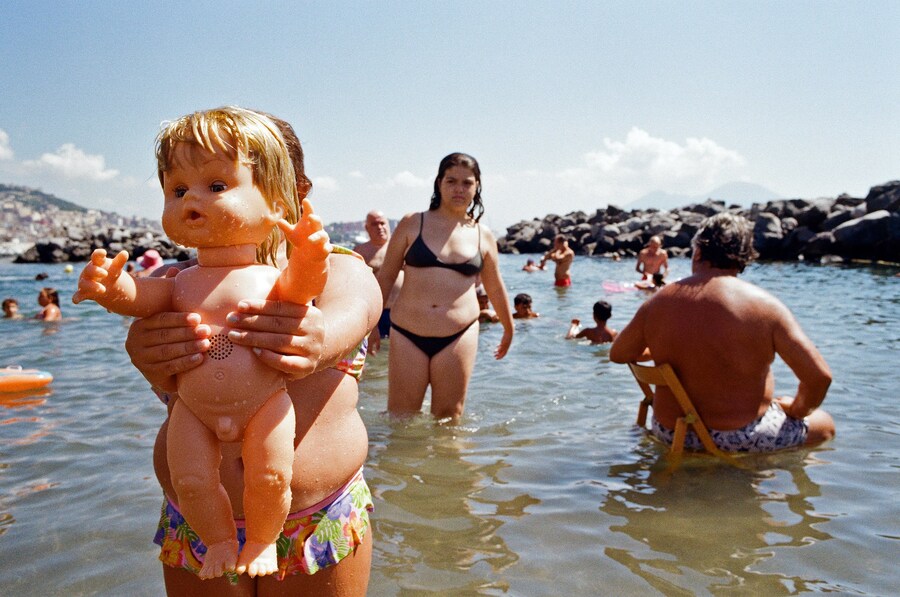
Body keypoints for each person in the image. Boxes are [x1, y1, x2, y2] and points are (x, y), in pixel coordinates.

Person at [73, 107, 340, 580]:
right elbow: (141, 296)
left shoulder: (307, 275)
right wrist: (110, 289)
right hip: (193, 429)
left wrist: (309, 256)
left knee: (270, 474)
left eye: (216, 186)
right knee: (192, 479)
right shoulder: (176, 281)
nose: (192, 200)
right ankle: (218, 540)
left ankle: (261, 539)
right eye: (178, 190)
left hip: (301, 491)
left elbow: (305, 292)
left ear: (285, 200)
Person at [124, 110, 380, 594]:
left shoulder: (337, 272)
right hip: (196, 521)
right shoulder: (176, 285)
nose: (204, 196)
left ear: (294, 191)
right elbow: (169, 380)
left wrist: (315, 339)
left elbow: (354, 311)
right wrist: (143, 351)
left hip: (312, 519)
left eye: (223, 181)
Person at [610, 213, 835, 453]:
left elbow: (619, 354)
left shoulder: (658, 301)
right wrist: (797, 410)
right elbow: (819, 377)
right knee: (825, 425)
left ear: (697, 253)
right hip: (737, 438)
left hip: (670, 432)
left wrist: (667, 349)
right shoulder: (765, 306)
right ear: (744, 259)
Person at [376, 152, 514, 420]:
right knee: (401, 418)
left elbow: (495, 287)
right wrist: (368, 324)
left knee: (449, 420)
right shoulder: (412, 223)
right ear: (439, 183)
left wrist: (509, 327)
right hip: (407, 333)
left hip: (459, 334)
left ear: (477, 187)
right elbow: (386, 277)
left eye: (467, 182)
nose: (459, 189)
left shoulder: (483, 235)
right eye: (451, 181)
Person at [354, 210, 402, 355]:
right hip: (377, 314)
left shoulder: (402, 247)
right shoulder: (361, 252)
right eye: (374, 224)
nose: (380, 227)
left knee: (402, 353)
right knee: (378, 354)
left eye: (382, 223)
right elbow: (356, 287)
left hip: (402, 311)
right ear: (367, 228)